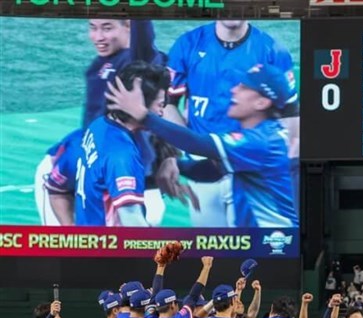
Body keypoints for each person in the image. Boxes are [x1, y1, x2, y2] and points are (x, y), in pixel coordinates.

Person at [106, 62, 296, 229]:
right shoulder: (263, 136)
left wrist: (144, 115)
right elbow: (212, 171)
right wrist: (177, 166)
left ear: (262, 102)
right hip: (261, 241)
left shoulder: (261, 142)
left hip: (273, 242)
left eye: (245, 87)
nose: (234, 90)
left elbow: (197, 144)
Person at [165, 20, 299, 227]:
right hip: (201, 168)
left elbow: (290, 113)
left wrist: (284, 167)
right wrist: (189, 147)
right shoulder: (188, 44)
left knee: (258, 244)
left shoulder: (272, 49)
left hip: (251, 173)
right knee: (210, 246)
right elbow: (168, 104)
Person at [77, 61, 171, 227]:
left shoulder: (100, 125)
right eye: (159, 105)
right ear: (140, 105)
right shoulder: (122, 155)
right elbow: (131, 220)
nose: (161, 113)